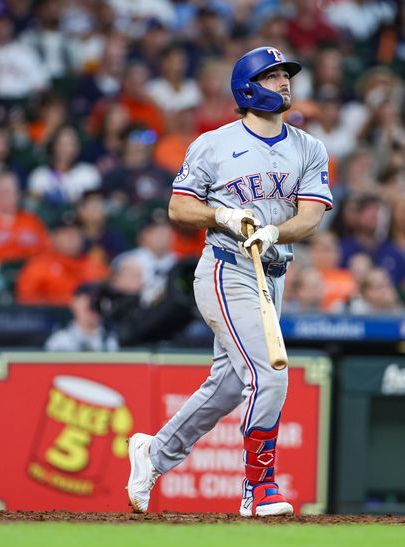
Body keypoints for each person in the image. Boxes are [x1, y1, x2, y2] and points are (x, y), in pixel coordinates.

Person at [126, 46, 332, 517]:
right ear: (247, 88)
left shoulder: (308, 147)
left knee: (226, 386)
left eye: (286, 75)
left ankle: (153, 454)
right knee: (270, 375)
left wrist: (274, 230)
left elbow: (312, 217)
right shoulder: (212, 144)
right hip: (225, 266)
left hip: (272, 272)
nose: (284, 82)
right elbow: (179, 208)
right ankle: (258, 490)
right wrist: (222, 214)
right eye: (273, 75)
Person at [44, 283, 119, 352]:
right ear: (74, 303)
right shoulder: (59, 341)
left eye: (98, 300)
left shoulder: (109, 341)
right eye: (88, 299)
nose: (93, 305)